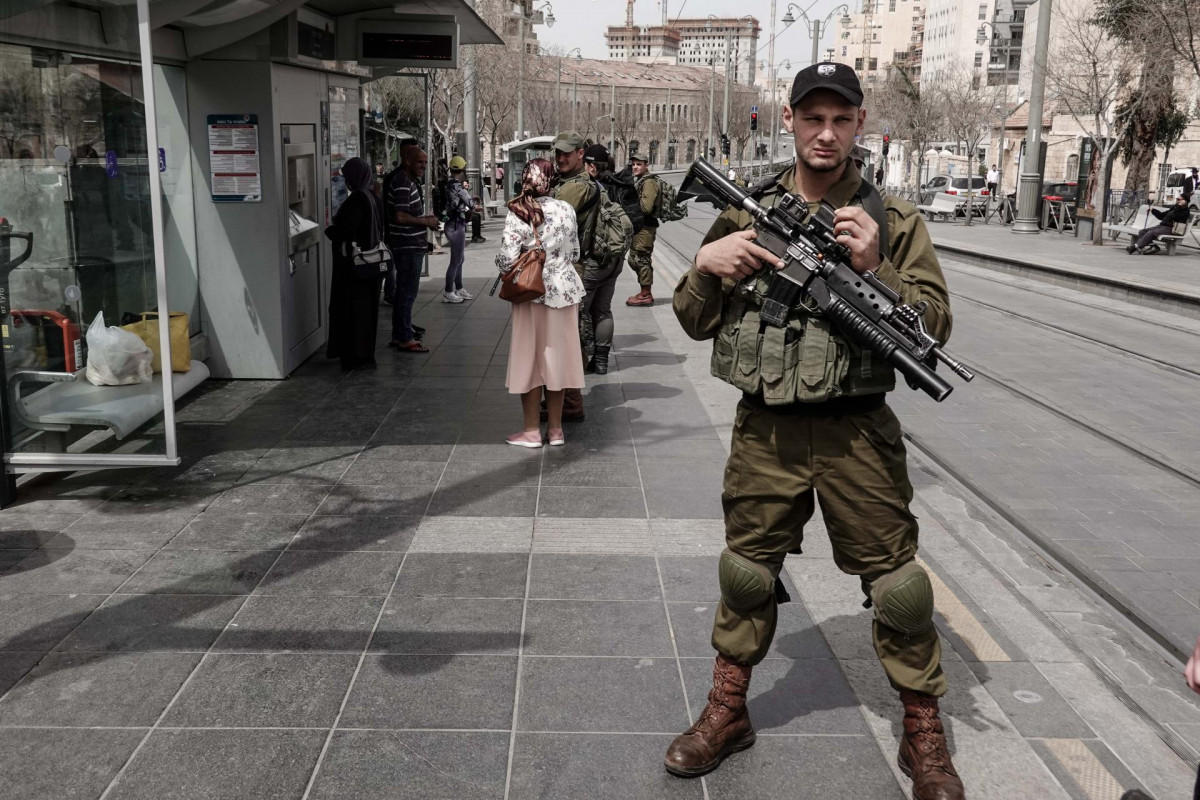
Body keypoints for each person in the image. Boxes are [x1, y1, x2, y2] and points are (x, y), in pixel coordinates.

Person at [666, 61, 965, 800]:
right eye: (812, 118)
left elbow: (936, 324)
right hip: (766, 432)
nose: (825, 133)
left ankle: (923, 732)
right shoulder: (748, 208)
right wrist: (706, 265)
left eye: (840, 119)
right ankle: (727, 710)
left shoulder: (893, 220)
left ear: (860, 124)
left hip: (857, 436)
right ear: (792, 122)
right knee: (745, 577)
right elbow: (694, 317)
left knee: (898, 590)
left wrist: (876, 266)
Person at [496, 157, 585, 448]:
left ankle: (532, 431)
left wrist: (501, 263)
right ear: (550, 179)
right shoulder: (566, 209)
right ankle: (556, 430)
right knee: (556, 359)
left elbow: (507, 258)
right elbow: (575, 253)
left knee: (531, 360)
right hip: (565, 293)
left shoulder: (518, 210)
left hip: (531, 294)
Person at [551, 131, 600, 422]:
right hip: (562, 268)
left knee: (566, 338)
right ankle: (567, 398)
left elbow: (549, 220)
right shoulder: (566, 182)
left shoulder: (577, 187)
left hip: (569, 270)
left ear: (581, 153)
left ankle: (571, 400)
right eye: (557, 152)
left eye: (567, 152)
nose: (561, 157)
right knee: (564, 336)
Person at [324, 157, 384, 371]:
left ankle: (354, 355)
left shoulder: (357, 200)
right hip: (372, 264)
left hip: (356, 267)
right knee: (368, 313)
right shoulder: (373, 197)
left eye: (347, 176)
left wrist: (330, 229)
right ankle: (365, 355)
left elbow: (345, 231)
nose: (345, 180)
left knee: (352, 311)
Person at [582, 144, 634, 374]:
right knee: (603, 309)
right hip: (616, 258)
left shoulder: (591, 188)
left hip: (596, 258)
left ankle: (582, 358)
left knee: (580, 309)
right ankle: (601, 362)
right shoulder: (620, 185)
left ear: (592, 166)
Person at [385, 144, 438, 353]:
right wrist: (425, 221)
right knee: (407, 293)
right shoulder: (402, 182)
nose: (423, 166)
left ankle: (400, 334)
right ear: (407, 161)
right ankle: (405, 337)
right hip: (407, 245)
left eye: (425, 162)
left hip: (411, 243)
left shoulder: (407, 181)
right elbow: (400, 216)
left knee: (404, 293)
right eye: (419, 161)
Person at [625, 153, 661, 307]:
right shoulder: (640, 181)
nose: (635, 167)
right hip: (640, 227)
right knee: (634, 259)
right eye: (633, 164)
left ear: (647, 165)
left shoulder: (649, 182)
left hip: (646, 227)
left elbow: (646, 208)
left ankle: (646, 294)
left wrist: (630, 202)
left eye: (639, 164)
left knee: (642, 259)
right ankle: (644, 290)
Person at [441, 156, 476, 303]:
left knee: (460, 259)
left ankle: (459, 288)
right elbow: (471, 203)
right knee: (456, 260)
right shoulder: (458, 186)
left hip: (450, 223)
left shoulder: (446, 184)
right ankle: (449, 291)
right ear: (462, 169)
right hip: (457, 224)